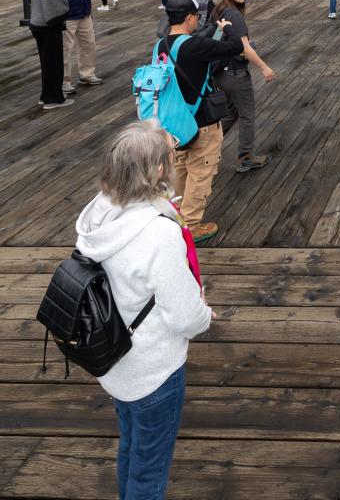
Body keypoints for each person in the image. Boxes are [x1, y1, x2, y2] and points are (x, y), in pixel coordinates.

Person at [75, 120, 214, 497]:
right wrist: (204, 314)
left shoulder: (97, 216)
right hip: (153, 373)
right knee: (149, 474)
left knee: (132, 448)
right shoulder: (158, 233)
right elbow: (187, 317)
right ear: (156, 171)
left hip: (113, 362)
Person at [161, 0, 244, 242]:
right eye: (196, 16)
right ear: (189, 17)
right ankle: (192, 225)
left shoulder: (161, 45)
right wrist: (227, 30)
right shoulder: (194, 45)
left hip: (174, 123)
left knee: (180, 169)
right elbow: (236, 47)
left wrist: (215, 34)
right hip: (201, 123)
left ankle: (174, 215)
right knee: (201, 174)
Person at [213, 0, 276, 173]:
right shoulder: (234, 16)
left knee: (231, 113)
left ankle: (206, 147)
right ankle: (246, 157)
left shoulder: (219, 11)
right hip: (236, 74)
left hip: (221, 74)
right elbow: (244, 49)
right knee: (247, 115)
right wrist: (264, 67)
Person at [30, 0, 71, 108]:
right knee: (53, 64)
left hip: (40, 27)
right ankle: (53, 99)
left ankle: (46, 95)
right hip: (48, 29)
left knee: (48, 64)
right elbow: (55, 12)